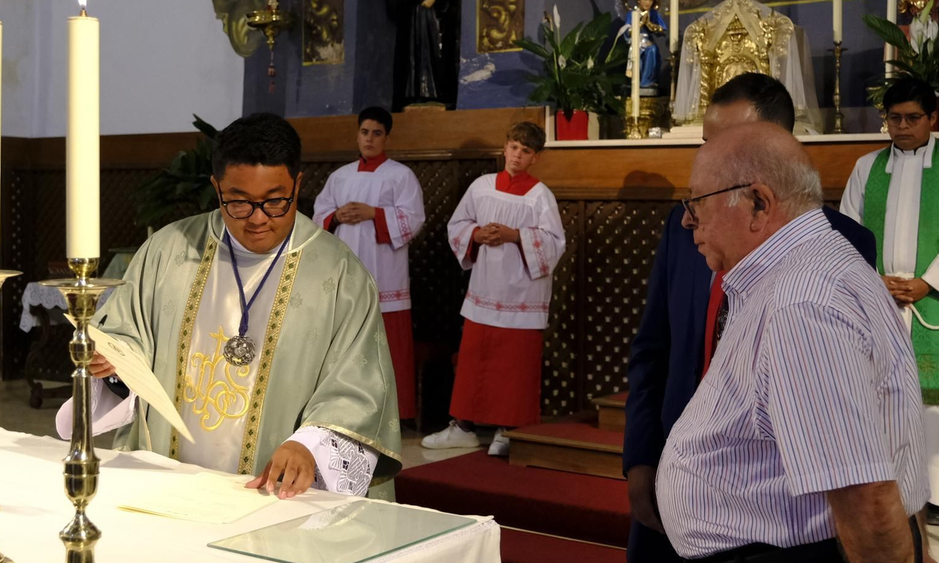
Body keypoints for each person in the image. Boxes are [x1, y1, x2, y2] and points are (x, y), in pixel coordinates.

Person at [658, 123, 939, 563]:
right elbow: (890, 440)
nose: (687, 221)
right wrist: (910, 559)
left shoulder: (801, 302)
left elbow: (865, 493)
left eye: (696, 203)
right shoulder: (827, 268)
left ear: (758, 202)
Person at [622, 72, 883, 563]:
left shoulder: (841, 247)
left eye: (728, 147)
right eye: (703, 145)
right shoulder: (684, 224)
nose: (708, 161)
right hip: (672, 490)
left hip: (766, 527)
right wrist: (639, 459)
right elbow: (652, 347)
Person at [55, 112, 402, 500]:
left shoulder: (341, 276)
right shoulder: (167, 251)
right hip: (169, 485)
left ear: (298, 184)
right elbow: (126, 339)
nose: (257, 219)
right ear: (216, 187)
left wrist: (311, 445)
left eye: (275, 201)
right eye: (238, 202)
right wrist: (112, 365)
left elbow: (358, 389)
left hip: (274, 495)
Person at [841, 77, 939, 526]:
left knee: (932, 398)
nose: (901, 127)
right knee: (876, 392)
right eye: (893, 118)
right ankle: (880, 482)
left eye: (911, 118)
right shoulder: (866, 168)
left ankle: (936, 492)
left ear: (932, 119)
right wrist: (871, 280)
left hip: (930, 300)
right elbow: (848, 229)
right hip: (877, 298)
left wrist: (929, 282)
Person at [422, 121, 563, 457]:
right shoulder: (482, 187)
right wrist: (475, 235)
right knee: (475, 358)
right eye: (513, 147)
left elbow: (556, 243)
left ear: (536, 158)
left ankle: (508, 429)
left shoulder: (540, 196)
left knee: (513, 364)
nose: (517, 155)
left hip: (521, 293)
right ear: (504, 148)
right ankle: (464, 427)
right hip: (485, 287)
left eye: (525, 151)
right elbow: (458, 224)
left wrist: (516, 235)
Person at [312, 106, 426, 420]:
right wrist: (335, 217)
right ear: (357, 134)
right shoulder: (340, 176)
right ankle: (343, 411)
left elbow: (413, 220)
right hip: (345, 273)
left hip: (385, 274)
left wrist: (374, 213)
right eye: (365, 132)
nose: (369, 139)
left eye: (377, 133)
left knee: (387, 345)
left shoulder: (401, 176)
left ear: (387, 137)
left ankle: (393, 414)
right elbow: (317, 219)